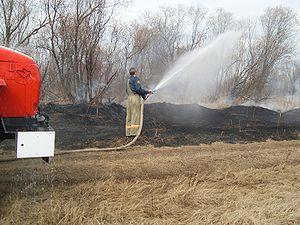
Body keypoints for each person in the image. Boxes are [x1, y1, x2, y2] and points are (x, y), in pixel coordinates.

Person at [126, 67, 152, 137]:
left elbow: (130, 90)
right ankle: (134, 133)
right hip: (135, 98)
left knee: (129, 115)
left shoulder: (128, 80)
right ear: (135, 72)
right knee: (136, 114)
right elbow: (138, 89)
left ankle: (128, 133)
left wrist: (144, 96)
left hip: (129, 99)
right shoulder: (135, 79)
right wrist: (147, 92)